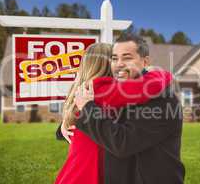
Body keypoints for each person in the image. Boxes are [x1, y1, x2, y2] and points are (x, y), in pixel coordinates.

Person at [63, 33, 185, 184]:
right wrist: (64, 124)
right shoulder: (111, 95)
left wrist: (86, 109)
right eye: (114, 58)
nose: (119, 63)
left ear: (145, 62)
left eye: (127, 57)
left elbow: (122, 142)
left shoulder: (162, 100)